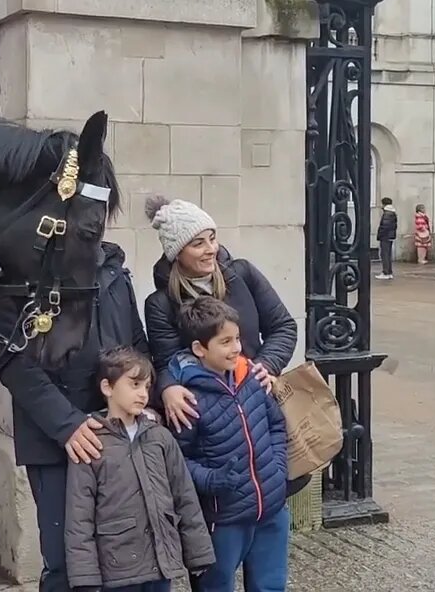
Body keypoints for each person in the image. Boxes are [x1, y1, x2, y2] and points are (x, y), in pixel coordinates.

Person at [0, 240, 151, 591]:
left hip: (115, 434)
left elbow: (137, 345)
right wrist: (67, 425)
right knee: (67, 565)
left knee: (121, 558)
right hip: (54, 442)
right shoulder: (21, 278)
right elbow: (12, 362)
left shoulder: (113, 271)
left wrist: (141, 400)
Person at [64, 346, 216, 592]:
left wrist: (198, 553)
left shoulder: (160, 437)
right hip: (117, 569)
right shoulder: (91, 442)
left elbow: (184, 496)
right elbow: (79, 516)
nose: (143, 394)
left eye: (146, 387)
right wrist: (84, 577)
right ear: (107, 387)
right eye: (134, 385)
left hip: (160, 563)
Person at [141, 195, 297, 434]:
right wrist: (168, 387)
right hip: (208, 417)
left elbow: (283, 326)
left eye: (212, 239)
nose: (210, 250)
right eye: (198, 244)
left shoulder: (243, 274)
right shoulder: (160, 304)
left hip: (258, 400)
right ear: (177, 253)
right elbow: (166, 361)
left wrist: (266, 365)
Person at [168, 297, 289, 592]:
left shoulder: (250, 377)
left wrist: (278, 467)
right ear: (200, 349)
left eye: (237, 339)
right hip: (223, 516)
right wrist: (211, 480)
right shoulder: (188, 400)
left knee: (270, 585)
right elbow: (177, 458)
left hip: (271, 508)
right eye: (225, 342)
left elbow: (276, 424)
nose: (236, 348)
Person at [376, 197, 398, 280]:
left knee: (384, 254)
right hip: (390, 236)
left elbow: (384, 226)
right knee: (388, 254)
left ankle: (385, 272)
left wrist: (380, 235)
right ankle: (389, 272)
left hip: (385, 236)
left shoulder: (387, 213)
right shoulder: (392, 212)